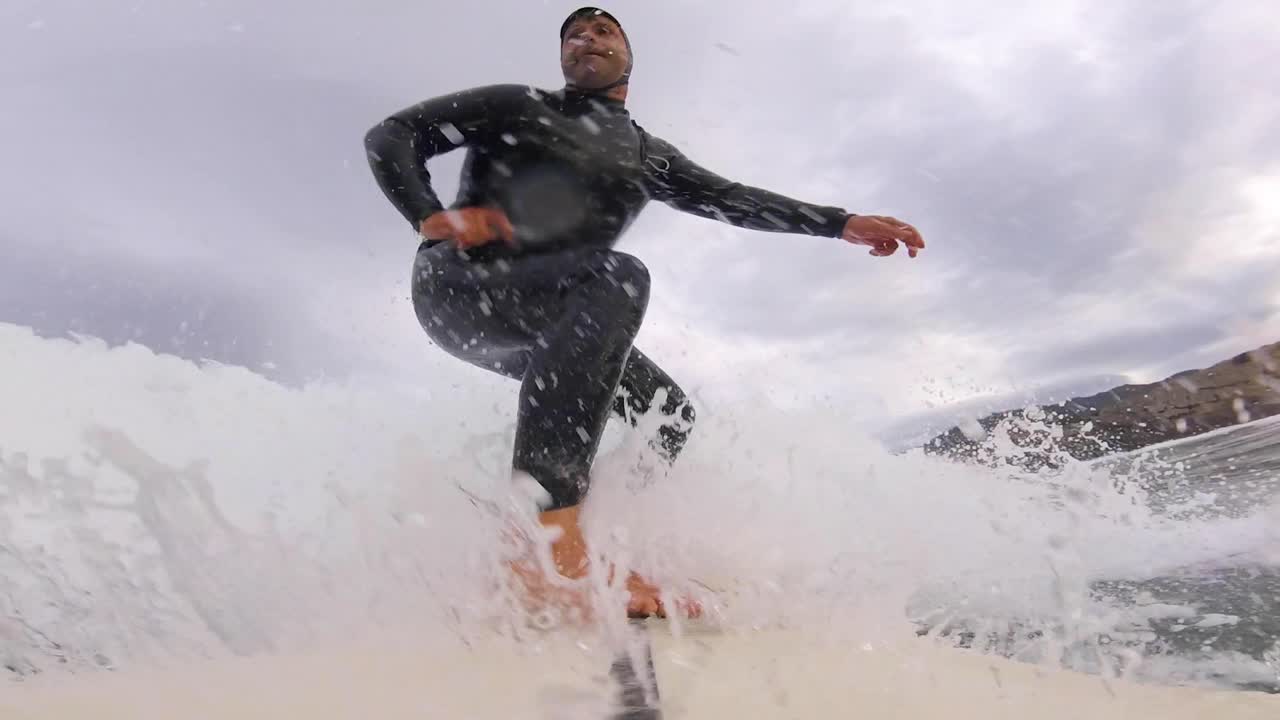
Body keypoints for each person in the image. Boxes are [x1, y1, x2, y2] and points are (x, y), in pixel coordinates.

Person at [364, 7, 924, 620]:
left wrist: (841, 223)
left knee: (669, 415)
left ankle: (581, 534)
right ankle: (555, 546)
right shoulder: (517, 106)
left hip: (555, 310)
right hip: (460, 288)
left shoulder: (647, 155)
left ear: (629, 56)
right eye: (574, 33)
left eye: (605, 30)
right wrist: (427, 213)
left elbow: (732, 200)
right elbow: (392, 134)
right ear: (562, 57)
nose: (587, 38)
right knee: (616, 275)